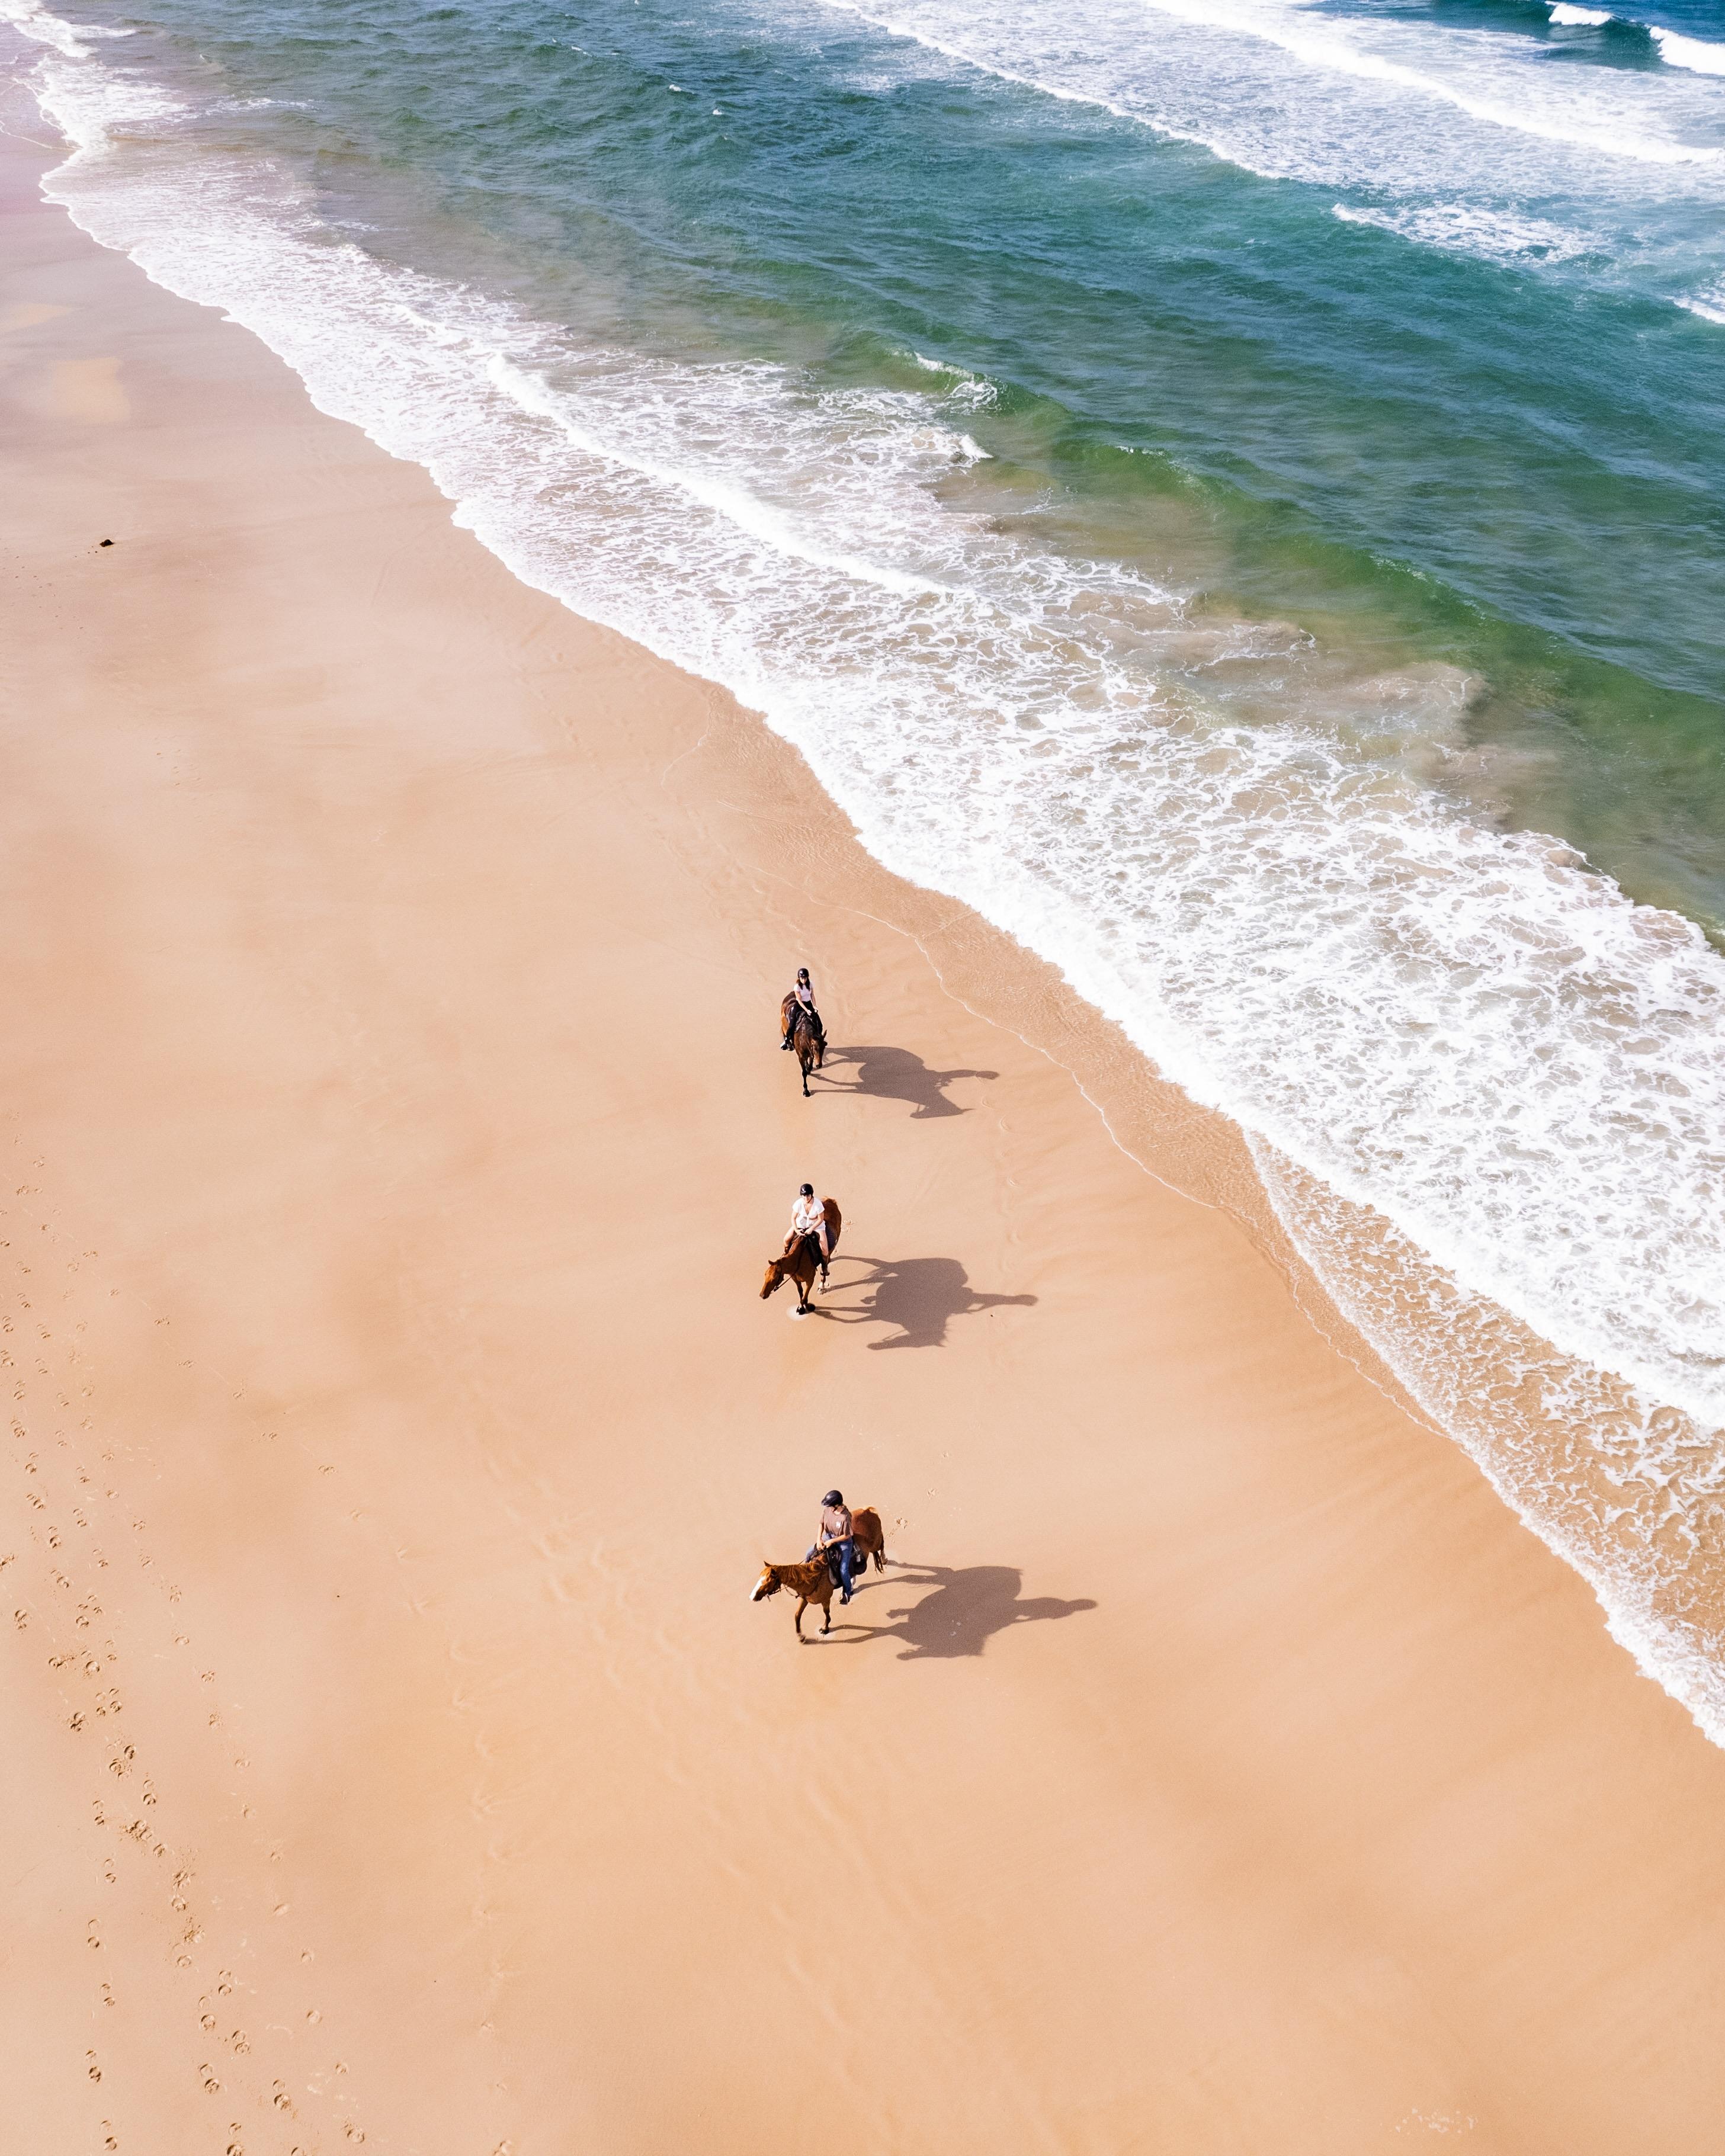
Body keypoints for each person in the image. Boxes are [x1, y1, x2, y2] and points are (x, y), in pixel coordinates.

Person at [807, 1488, 857, 1603]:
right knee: (809, 1553)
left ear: (837, 1505)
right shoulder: (827, 1511)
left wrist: (833, 1542)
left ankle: (847, 1592)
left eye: (830, 1505)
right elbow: (821, 1524)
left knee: (843, 1570)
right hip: (828, 1537)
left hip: (844, 1543)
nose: (828, 1507)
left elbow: (847, 1535)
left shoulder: (845, 1517)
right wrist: (819, 1539)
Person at [783, 1183, 831, 1286]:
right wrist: (796, 1230)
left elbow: (820, 1219)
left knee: (825, 1250)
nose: (806, 1198)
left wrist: (812, 1229)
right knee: (786, 1239)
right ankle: (786, 1254)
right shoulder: (798, 1203)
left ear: (811, 1195)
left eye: (808, 1196)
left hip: (817, 1226)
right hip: (801, 1224)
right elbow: (793, 1218)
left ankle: (824, 1267)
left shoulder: (818, 1204)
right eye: (804, 1196)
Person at [780, 966, 826, 1051]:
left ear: (808, 977)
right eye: (802, 978)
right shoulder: (797, 987)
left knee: (820, 1024)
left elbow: (812, 995)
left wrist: (814, 1006)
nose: (804, 980)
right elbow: (799, 1000)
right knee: (792, 1025)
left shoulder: (810, 984)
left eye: (805, 978)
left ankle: (818, 1040)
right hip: (799, 1005)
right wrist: (807, 1010)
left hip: (809, 1004)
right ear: (799, 978)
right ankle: (787, 1041)